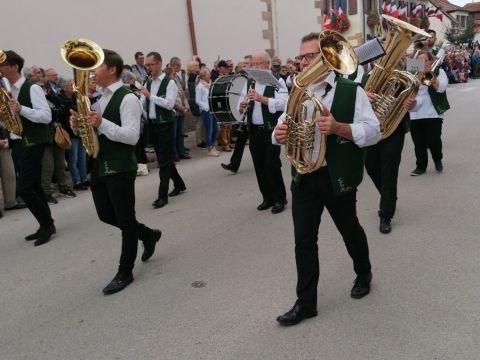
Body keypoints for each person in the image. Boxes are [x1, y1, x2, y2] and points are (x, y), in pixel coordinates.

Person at [273, 33, 380, 326]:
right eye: (301, 57)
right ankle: (306, 303)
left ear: (327, 58)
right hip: (304, 177)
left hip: (336, 176)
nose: (303, 62)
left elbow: (374, 132)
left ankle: (364, 271)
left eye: (310, 56)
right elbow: (283, 125)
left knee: (350, 230)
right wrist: (278, 133)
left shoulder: (351, 91)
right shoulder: (298, 90)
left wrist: (339, 128)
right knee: (304, 241)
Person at [70, 49, 161, 295]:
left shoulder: (128, 98)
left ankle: (125, 271)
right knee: (106, 215)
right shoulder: (99, 98)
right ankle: (148, 234)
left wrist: (101, 123)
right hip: (100, 164)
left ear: (112, 69)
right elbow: (96, 132)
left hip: (121, 166)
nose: (91, 73)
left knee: (125, 219)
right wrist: (78, 126)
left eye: (96, 67)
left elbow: (132, 137)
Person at [0, 51, 55, 246]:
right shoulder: (7, 89)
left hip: (33, 142)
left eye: (2, 65)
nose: (0, 69)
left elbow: (46, 116)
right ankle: (47, 223)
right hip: (18, 141)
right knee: (34, 186)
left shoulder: (31, 89)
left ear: (14, 67)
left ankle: (46, 225)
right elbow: (12, 119)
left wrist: (21, 109)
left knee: (25, 188)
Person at [238, 51, 288, 214]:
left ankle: (280, 198)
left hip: (271, 129)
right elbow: (241, 98)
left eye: (257, 63)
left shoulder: (276, 80)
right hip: (254, 130)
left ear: (267, 64)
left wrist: (264, 99)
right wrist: (242, 105)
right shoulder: (250, 81)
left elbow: (284, 103)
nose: (254, 67)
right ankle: (268, 197)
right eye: (253, 63)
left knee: (272, 164)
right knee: (259, 165)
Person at [140, 52, 186, 209]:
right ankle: (179, 184)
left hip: (166, 125)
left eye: (150, 64)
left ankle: (162, 196)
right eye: (147, 65)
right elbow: (142, 102)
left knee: (164, 162)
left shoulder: (169, 83)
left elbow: (169, 104)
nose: (148, 67)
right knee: (163, 158)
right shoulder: (147, 82)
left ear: (159, 64)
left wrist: (150, 96)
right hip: (152, 125)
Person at [409, 51, 449, 176]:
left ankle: (437, 159)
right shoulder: (413, 72)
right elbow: (409, 89)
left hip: (433, 113)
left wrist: (427, 73)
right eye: (419, 61)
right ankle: (420, 166)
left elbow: (441, 87)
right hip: (416, 113)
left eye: (424, 61)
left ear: (430, 61)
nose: (421, 63)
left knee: (434, 140)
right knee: (418, 143)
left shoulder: (439, 71)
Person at [221, 55, 252, 173]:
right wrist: (240, 106)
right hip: (246, 115)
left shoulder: (255, 78)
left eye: (247, 64)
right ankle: (234, 165)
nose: (244, 66)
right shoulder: (243, 79)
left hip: (256, 117)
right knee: (240, 141)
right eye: (243, 64)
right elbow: (241, 97)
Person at [196, 68, 220, 156]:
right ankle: (210, 149)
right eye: (208, 74)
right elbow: (198, 101)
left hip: (211, 110)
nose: (210, 75)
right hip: (206, 111)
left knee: (216, 129)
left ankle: (212, 146)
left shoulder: (208, 84)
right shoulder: (200, 87)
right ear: (204, 76)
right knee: (209, 130)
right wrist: (206, 108)